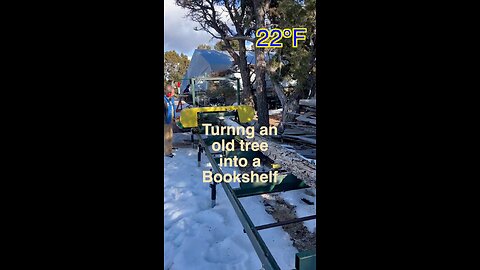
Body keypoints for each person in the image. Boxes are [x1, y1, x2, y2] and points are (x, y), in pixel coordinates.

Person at [164, 85, 175, 157]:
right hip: (166, 122)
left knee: (170, 135)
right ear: (169, 93)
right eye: (173, 93)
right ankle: (167, 152)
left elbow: (172, 108)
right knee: (167, 137)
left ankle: (170, 147)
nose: (174, 94)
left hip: (170, 120)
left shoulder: (170, 99)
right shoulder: (164, 100)